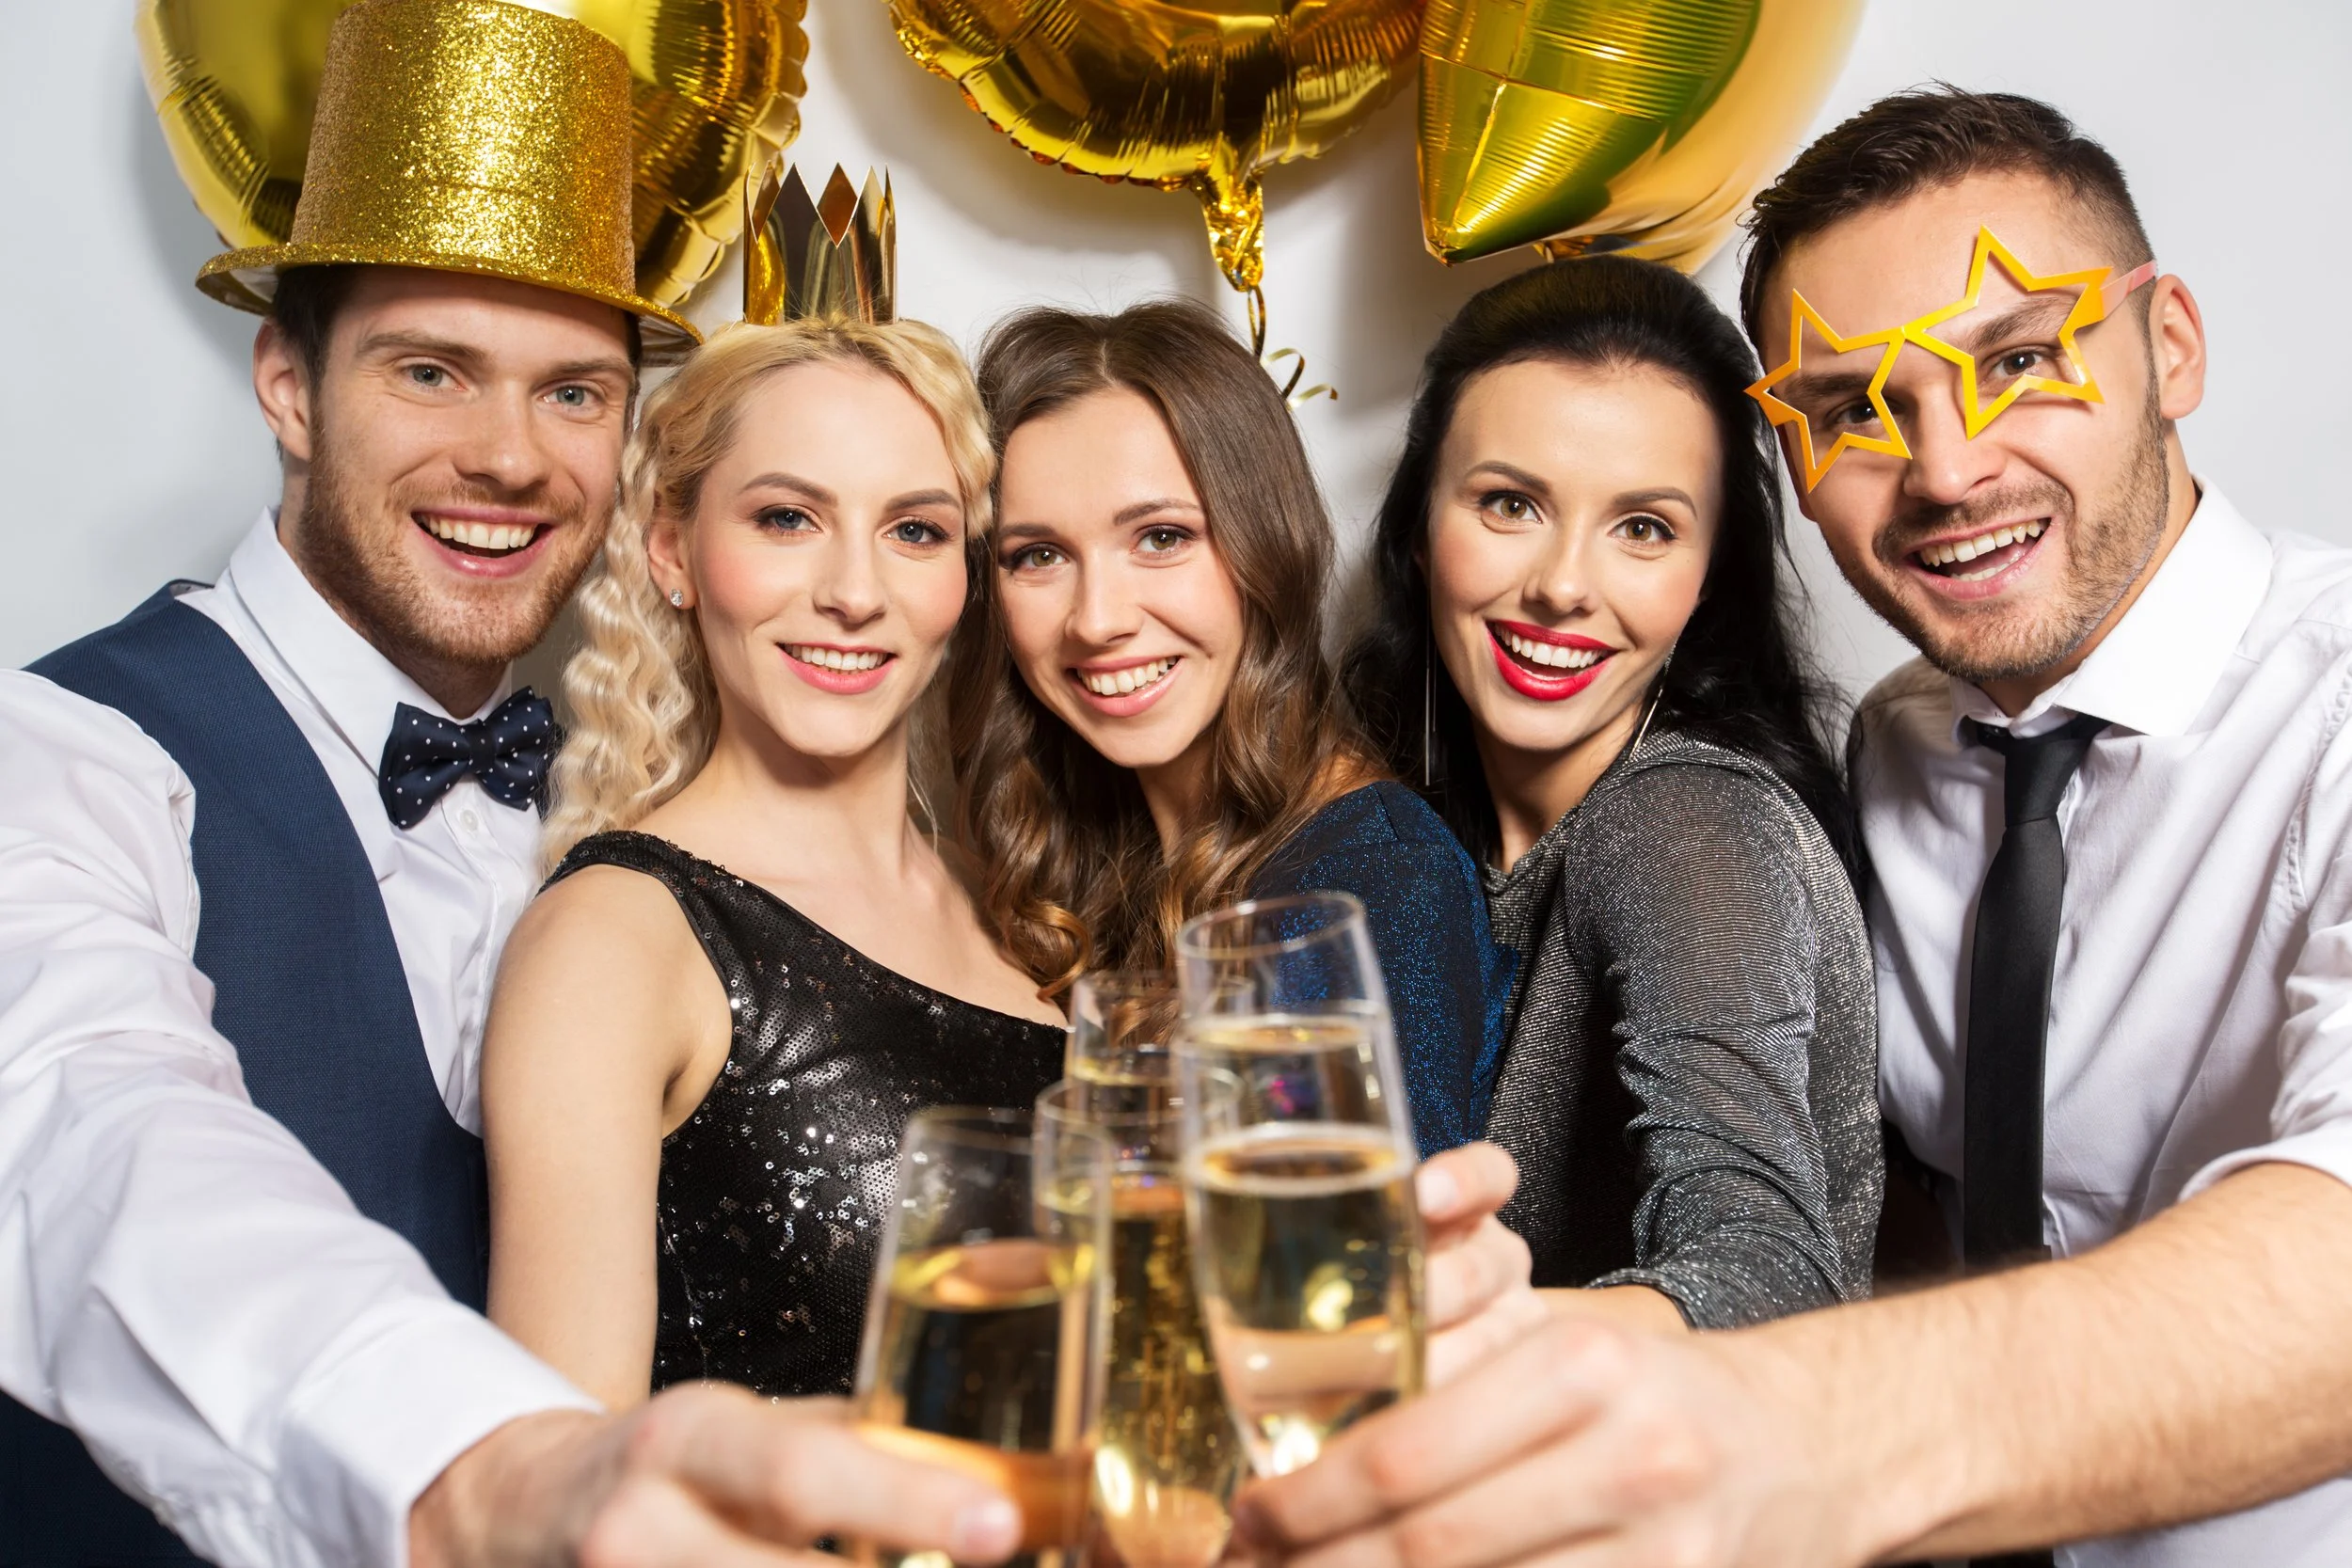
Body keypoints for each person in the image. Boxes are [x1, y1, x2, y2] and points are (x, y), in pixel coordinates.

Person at [1232, 87, 2352, 1568]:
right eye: (1853, 409)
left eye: (2018, 359)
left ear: (2172, 344)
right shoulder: (1898, 744)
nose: (1948, 469)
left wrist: (1653, 1408)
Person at [0, 2, 1050, 1561]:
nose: (508, 457)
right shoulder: (68, 750)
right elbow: (91, 1130)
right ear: (286, 384)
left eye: (572, 391)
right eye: (432, 372)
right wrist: (486, 1468)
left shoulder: (650, 810)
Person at [481, 316, 1066, 1409]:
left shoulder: (1010, 899)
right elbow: (565, 1491)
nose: (854, 589)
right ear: (672, 548)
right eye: (787, 518)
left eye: (916, 530)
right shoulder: (612, 937)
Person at [1341, 256, 1880, 1331]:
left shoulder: (1683, 820)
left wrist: (1457, 1352)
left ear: (1707, 577)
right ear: (1418, 528)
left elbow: (1767, 1273)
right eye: (1509, 503)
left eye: (1644, 527)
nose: (1562, 584)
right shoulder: (1406, 828)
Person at [953, 300, 1506, 1155]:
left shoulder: (1368, 881)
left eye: (1162, 537)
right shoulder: (1098, 850)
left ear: (1266, 547)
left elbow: (1361, 1271)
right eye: (1038, 555)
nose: (1097, 619)